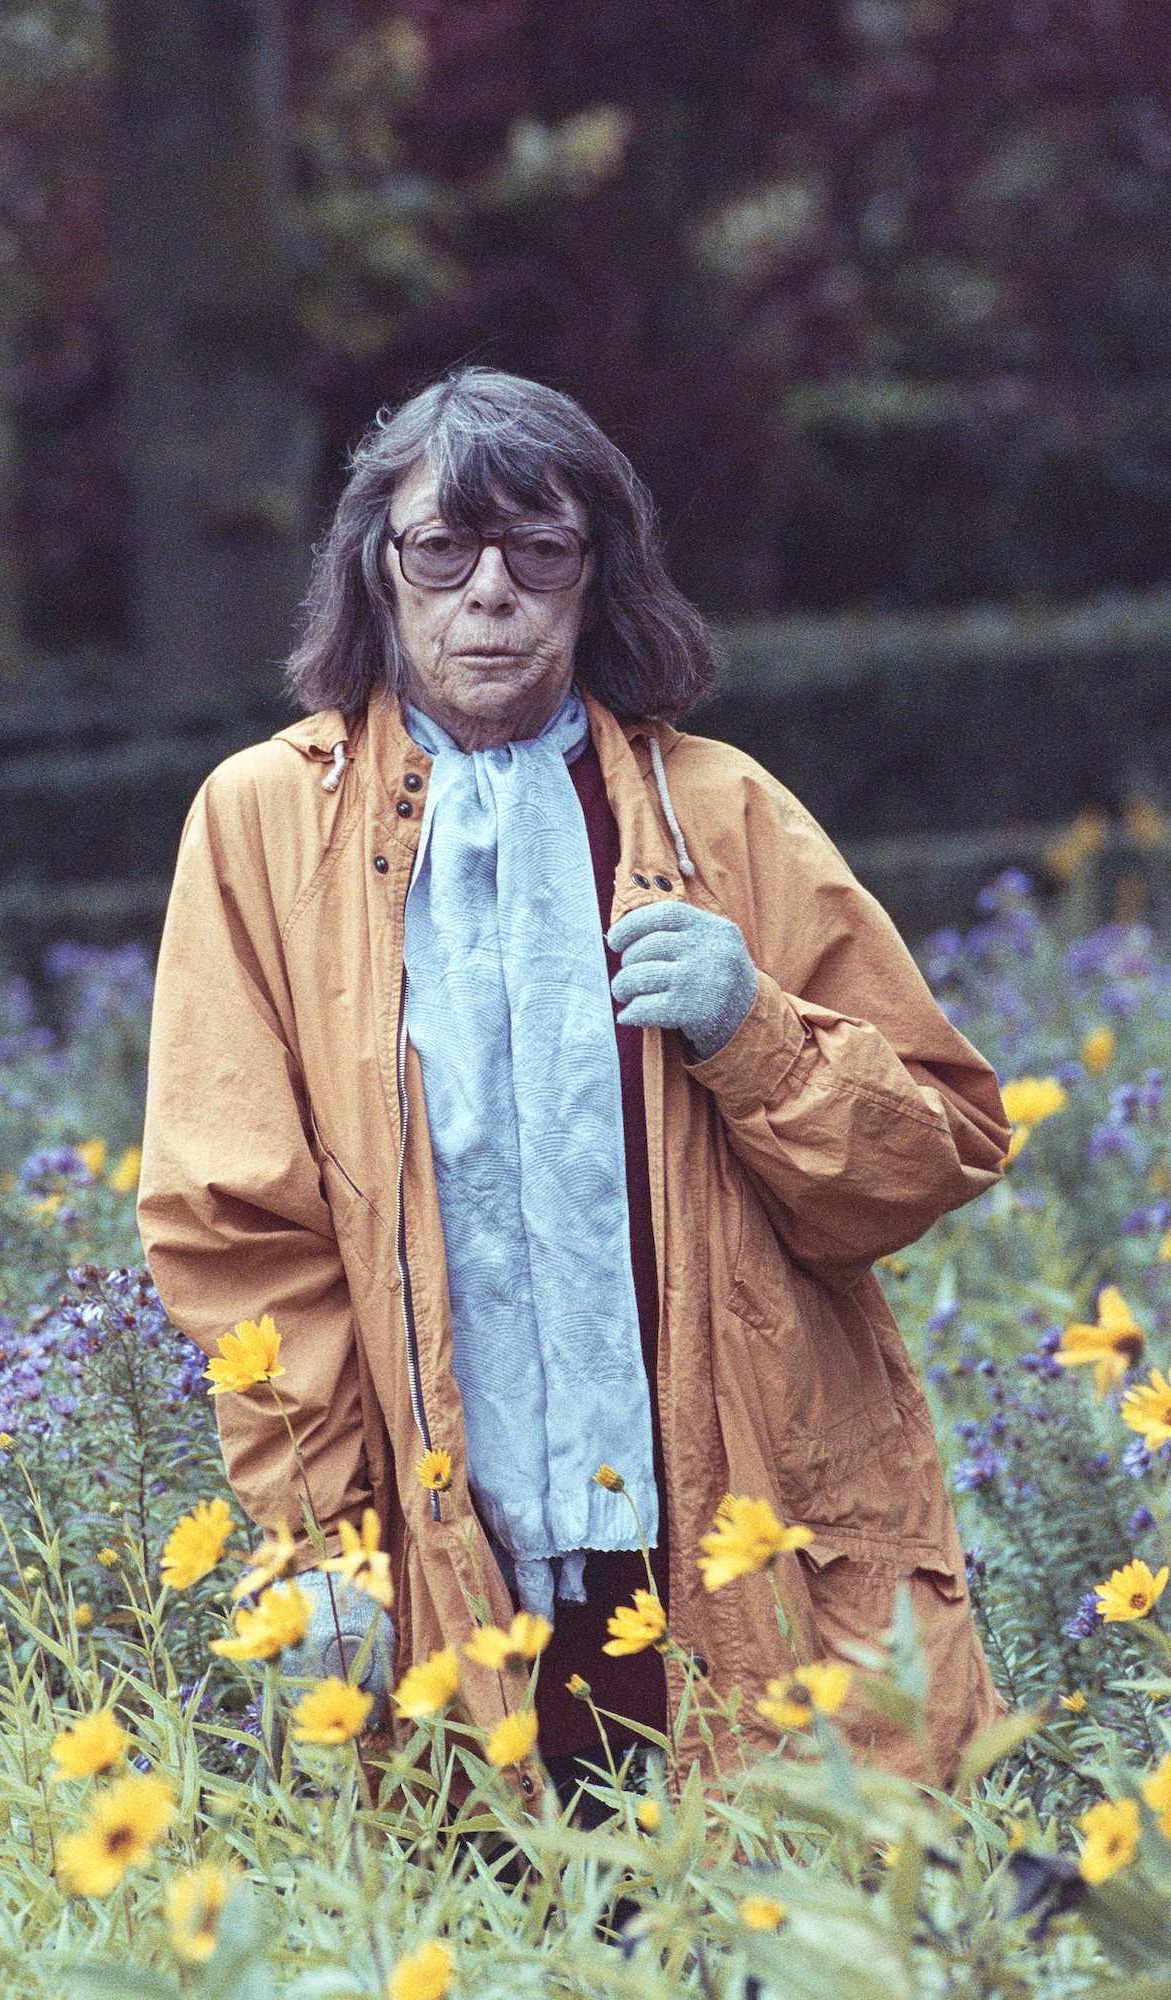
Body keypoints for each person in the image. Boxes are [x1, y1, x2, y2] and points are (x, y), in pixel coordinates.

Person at [137, 365, 1011, 1818]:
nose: (491, 593)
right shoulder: (261, 824)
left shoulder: (719, 810)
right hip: (439, 1562)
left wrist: (757, 1032)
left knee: (773, 1931)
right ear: (381, 571)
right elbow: (236, 1231)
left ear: (592, 573)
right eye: (444, 551)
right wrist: (327, 1551)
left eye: (536, 552)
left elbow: (933, 1153)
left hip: (735, 1545)